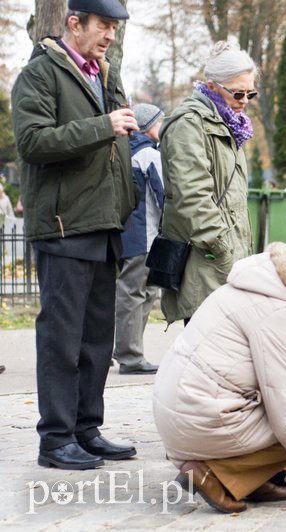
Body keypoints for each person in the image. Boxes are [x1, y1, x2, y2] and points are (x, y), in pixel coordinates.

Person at [12, 0, 139, 470]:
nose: (110, 35)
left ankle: (87, 429)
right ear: (74, 23)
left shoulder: (105, 75)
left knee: (96, 341)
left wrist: (125, 205)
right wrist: (103, 126)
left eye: (114, 28)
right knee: (61, 339)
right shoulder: (40, 74)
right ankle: (56, 439)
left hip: (104, 224)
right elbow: (33, 142)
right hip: (65, 228)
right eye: (103, 26)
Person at [153, 242, 286, 514]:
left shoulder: (265, 288)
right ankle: (216, 473)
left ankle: (262, 474)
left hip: (183, 407)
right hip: (200, 417)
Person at [159, 42, 256, 324]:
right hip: (207, 262)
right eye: (238, 92)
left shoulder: (231, 126)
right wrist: (224, 252)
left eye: (251, 92)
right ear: (212, 87)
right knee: (206, 360)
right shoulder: (189, 125)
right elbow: (193, 198)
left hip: (229, 262)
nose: (245, 99)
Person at [113, 103, 164, 375]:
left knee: (138, 292)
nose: (162, 126)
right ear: (147, 126)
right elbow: (164, 195)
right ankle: (130, 356)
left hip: (126, 235)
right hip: (145, 235)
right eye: (159, 122)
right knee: (136, 293)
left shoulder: (126, 153)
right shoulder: (149, 155)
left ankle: (125, 347)